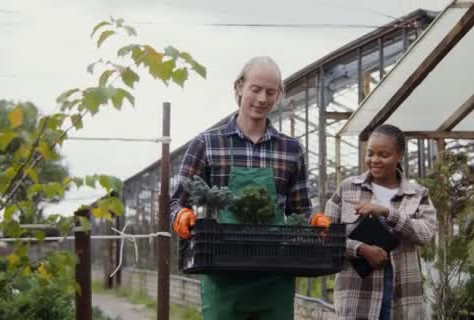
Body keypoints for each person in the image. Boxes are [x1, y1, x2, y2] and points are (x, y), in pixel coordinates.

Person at [169, 56, 327, 320]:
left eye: (270, 92)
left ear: (278, 96)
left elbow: (299, 209)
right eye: (256, 89)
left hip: (274, 272)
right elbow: (176, 202)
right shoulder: (208, 143)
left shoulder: (290, 149)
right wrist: (180, 216)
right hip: (222, 270)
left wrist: (315, 221)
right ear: (240, 87)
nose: (262, 98)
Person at [324, 124, 436, 320]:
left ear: (399, 155)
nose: (374, 160)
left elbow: (425, 233)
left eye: (383, 155)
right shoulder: (347, 188)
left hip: (402, 297)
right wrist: (360, 249)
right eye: (370, 153)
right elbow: (325, 236)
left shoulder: (417, 194)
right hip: (357, 296)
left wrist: (387, 212)